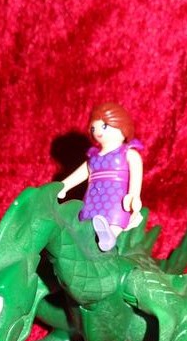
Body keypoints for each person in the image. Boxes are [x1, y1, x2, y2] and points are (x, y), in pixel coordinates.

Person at [58, 102, 143, 251]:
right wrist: (64, 185)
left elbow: (136, 175)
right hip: (93, 196)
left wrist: (134, 195)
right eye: (94, 128)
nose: (98, 131)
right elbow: (80, 174)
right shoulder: (93, 157)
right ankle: (87, 238)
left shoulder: (128, 153)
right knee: (87, 217)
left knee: (115, 216)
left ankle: (110, 236)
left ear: (122, 125)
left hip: (116, 196)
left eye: (104, 126)